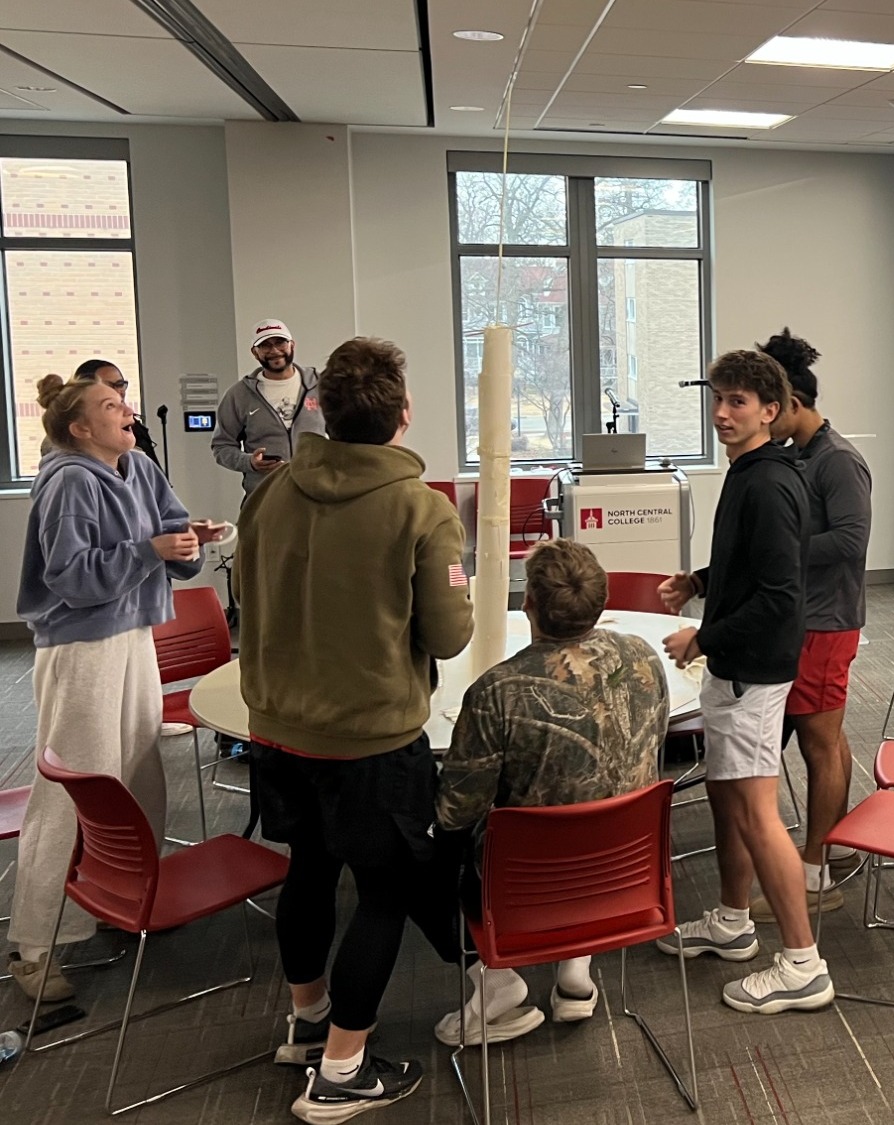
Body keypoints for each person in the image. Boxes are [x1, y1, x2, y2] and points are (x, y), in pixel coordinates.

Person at [236, 337, 473, 1120]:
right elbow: (447, 637)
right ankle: (341, 1069)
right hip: (371, 737)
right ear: (404, 415)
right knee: (384, 890)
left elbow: (249, 600)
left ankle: (307, 1024)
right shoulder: (421, 508)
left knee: (306, 870)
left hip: (275, 726)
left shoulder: (270, 494)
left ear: (323, 412)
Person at [7, 374, 212, 1000]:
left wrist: (187, 545)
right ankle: (38, 942)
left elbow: (174, 543)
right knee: (77, 785)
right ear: (78, 429)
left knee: (138, 769)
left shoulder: (140, 466)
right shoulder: (68, 480)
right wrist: (150, 550)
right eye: (109, 406)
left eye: (122, 402)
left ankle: (128, 900)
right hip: (81, 646)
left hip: (133, 635)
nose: (125, 410)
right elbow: (71, 579)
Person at [428, 538, 669, 1045]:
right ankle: (575, 976)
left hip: (532, 886)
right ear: (600, 603)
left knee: (414, 851)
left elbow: (457, 812)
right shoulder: (644, 660)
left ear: (527, 602)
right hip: (627, 871)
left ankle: (494, 980)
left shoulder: (500, 690)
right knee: (594, 798)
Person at [654, 350, 832, 1016]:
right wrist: (701, 582)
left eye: (738, 402)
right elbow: (752, 564)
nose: (723, 413)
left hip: (754, 674)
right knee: (730, 801)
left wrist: (706, 634)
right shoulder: (749, 472)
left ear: (769, 409)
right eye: (719, 399)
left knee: (758, 815)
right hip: (737, 669)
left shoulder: (769, 480)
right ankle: (732, 921)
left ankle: (802, 963)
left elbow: (781, 595)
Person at [750, 329, 870, 922]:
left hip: (827, 623)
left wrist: (780, 548)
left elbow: (850, 542)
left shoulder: (838, 460)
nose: (760, 420)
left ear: (791, 403)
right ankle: (833, 845)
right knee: (831, 740)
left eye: (768, 409)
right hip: (807, 618)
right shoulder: (797, 455)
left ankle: (817, 874)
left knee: (821, 746)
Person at [213, 318, 326, 496]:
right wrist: (249, 462)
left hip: (316, 495)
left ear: (292, 345)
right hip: (264, 498)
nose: (274, 350)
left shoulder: (321, 386)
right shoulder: (239, 395)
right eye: (265, 345)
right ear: (255, 353)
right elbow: (222, 447)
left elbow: (344, 436)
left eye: (280, 342)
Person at [47, 360, 158, 467]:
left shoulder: (136, 432)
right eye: (109, 405)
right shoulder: (65, 454)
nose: (117, 391)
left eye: (120, 384)